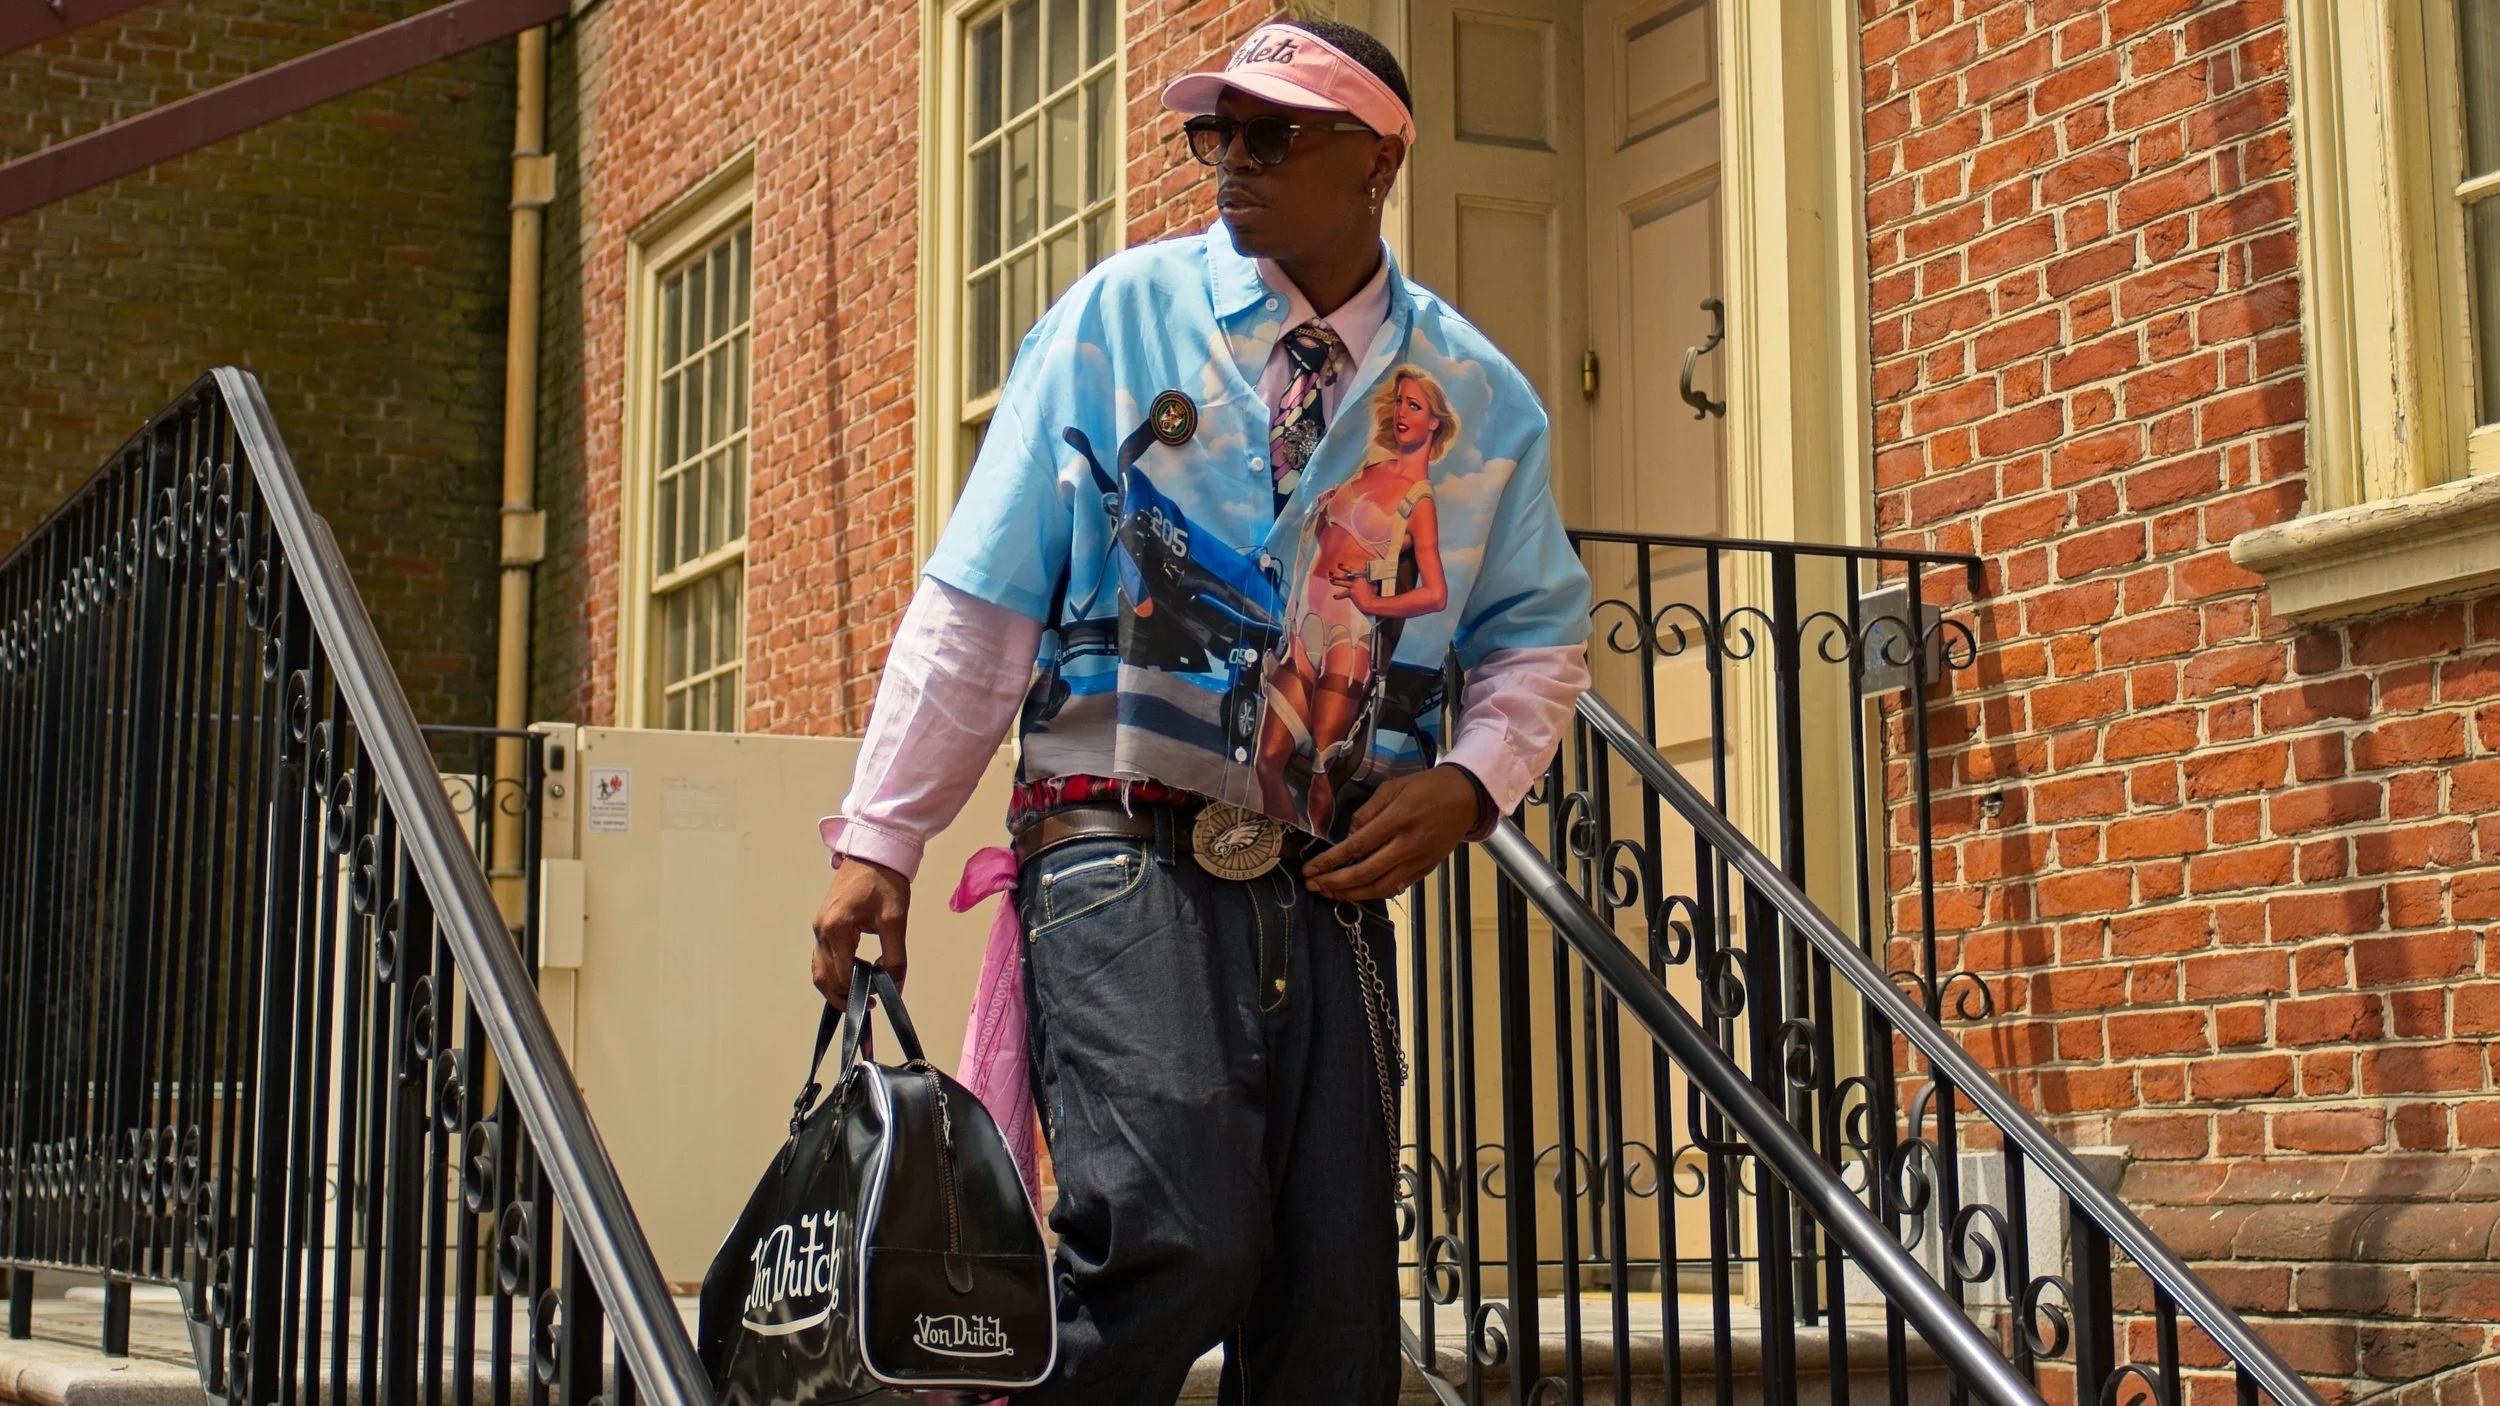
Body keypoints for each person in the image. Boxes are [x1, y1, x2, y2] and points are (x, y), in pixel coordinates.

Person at [811, 18, 1591, 1404]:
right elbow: (980, 603)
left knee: (1332, 1315)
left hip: (1330, 879)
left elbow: (1537, 638)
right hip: (1116, 844)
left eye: (1274, 133)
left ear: (1380, 160)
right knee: (1175, 1237)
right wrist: (882, 835)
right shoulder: (1122, 321)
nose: (1232, 160)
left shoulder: (1477, 401)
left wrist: (1472, 784)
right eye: (1213, 131)